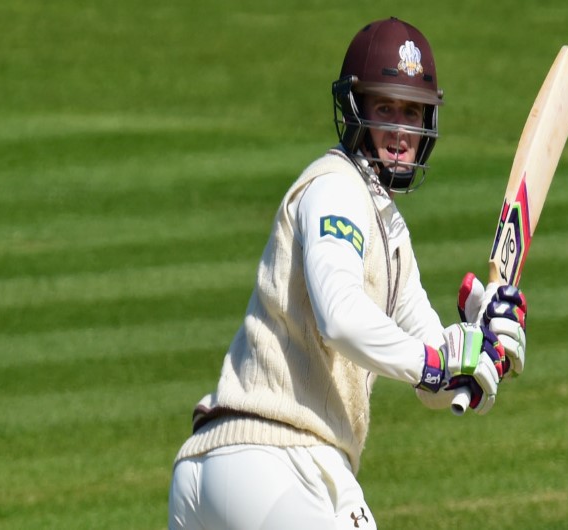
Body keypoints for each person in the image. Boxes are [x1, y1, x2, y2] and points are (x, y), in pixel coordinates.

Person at [168, 17, 527, 530]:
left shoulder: (389, 231)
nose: (402, 130)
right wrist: (437, 362)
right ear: (356, 110)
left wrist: (481, 348)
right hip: (278, 461)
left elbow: (432, 373)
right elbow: (342, 319)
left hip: (212, 472)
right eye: (386, 108)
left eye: (413, 111)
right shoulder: (336, 188)